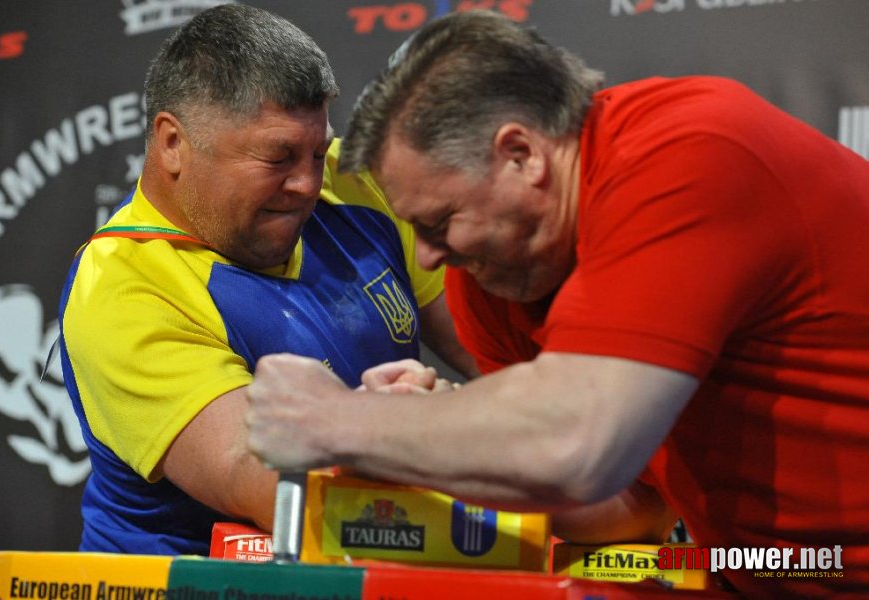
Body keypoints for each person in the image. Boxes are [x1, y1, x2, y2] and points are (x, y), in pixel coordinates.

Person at [243, 10, 869, 597]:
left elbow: (575, 447)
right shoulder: (495, 271)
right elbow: (625, 507)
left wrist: (334, 422)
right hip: (758, 568)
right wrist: (431, 431)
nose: (429, 258)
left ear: (522, 155)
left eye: (439, 222)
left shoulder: (693, 152)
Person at [58, 4, 476, 556]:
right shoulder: (121, 285)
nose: (307, 183)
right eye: (277, 157)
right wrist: (395, 426)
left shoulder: (356, 184)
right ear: (172, 144)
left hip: (355, 570)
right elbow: (255, 477)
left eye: (317, 150)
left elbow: (493, 353)